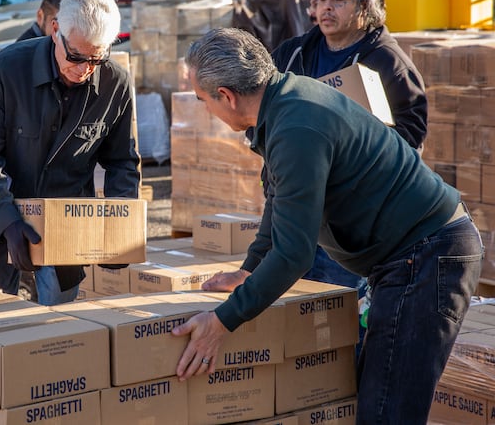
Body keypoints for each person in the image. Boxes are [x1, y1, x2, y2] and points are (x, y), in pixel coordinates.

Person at [172, 27, 482, 424]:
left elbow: (294, 255)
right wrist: (248, 270)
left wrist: (222, 322)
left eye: (203, 101)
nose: (206, 111)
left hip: (425, 256)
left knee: (387, 411)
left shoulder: (296, 127)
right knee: (377, 397)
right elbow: (279, 200)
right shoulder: (285, 102)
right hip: (411, 255)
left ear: (227, 96)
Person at [0, 0, 140, 306]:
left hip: (67, 230)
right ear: (56, 29)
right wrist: (8, 223)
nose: (84, 69)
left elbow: (122, 162)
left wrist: (120, 225)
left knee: (58, 335)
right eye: (75, 56)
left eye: (96, 59)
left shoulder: (117, 84)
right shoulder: (8, 68)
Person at [272, 0, 428, 289]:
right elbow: (262, 107)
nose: (326, 7)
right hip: (296, 206)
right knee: (291, 310)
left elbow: (411, 139)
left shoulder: (388, 62)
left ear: (365, 5)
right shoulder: (293, 53)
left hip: (351, 220)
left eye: (339, 0)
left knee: (340, 313)